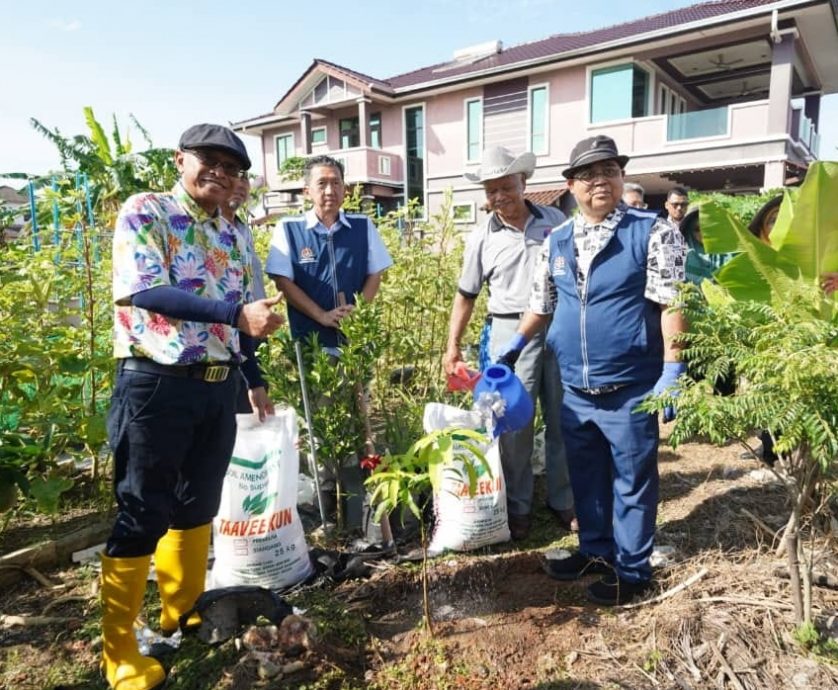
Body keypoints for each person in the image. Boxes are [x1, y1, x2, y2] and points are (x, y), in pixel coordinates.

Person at [102, 124, 284, 690]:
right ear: (181, 160)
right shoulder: (147, 210)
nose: (222, 175)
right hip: (156, 382)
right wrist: (235, 319)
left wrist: (253, 374)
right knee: (142, 510)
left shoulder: (235, 233)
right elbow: (145, 291)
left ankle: (180, 612)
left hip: (217, 385)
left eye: (233, 169)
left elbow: (246, 313)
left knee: (196, 504)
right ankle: (120, 651)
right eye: (210, 161)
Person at [499, 135, 687, 605]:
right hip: (576, 389)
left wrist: (673, 369)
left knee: (631, 480)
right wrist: (513, 345)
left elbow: (672, 303)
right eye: (588, 174)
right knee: (586, 478)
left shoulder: (654, 231)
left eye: (609, 170)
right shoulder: (556, 240)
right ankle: (596, 550)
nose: (600, 180)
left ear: (622, 177)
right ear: (571, 185)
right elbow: (541, 305)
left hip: (631, 386)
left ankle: (632, 570)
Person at [444, 145, 575, 541]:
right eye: (491, 190)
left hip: (557, 326)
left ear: (524, 183)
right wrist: (452, 345)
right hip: (508, 333)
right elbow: (465, 295)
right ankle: (517, 505)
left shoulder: (555, 220)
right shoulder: (482, 237)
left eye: (506, 187)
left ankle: (562, 498)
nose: (499, 196)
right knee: (514, 422)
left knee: (563, 415)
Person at [265, 155, 392, 526]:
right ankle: (326, 502)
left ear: (345, 189)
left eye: (336, 182)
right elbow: (283, 282)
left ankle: (355, 496)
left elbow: (374, 274)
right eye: (321, 183)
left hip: (353, 341)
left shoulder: (362, 227)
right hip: (311, 340)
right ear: (307, 190)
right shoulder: (289, 230)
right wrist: (320, 315)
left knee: (357, 416)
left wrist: (358, 312)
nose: (330, 190)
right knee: (318, 421)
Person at [221, 175, 274, 419]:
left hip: (252, 339)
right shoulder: (205, 233)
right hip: (225, 345)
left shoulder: (243, 229)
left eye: (245, 177)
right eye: (234, 174)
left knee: (253, 418)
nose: (241, 184)